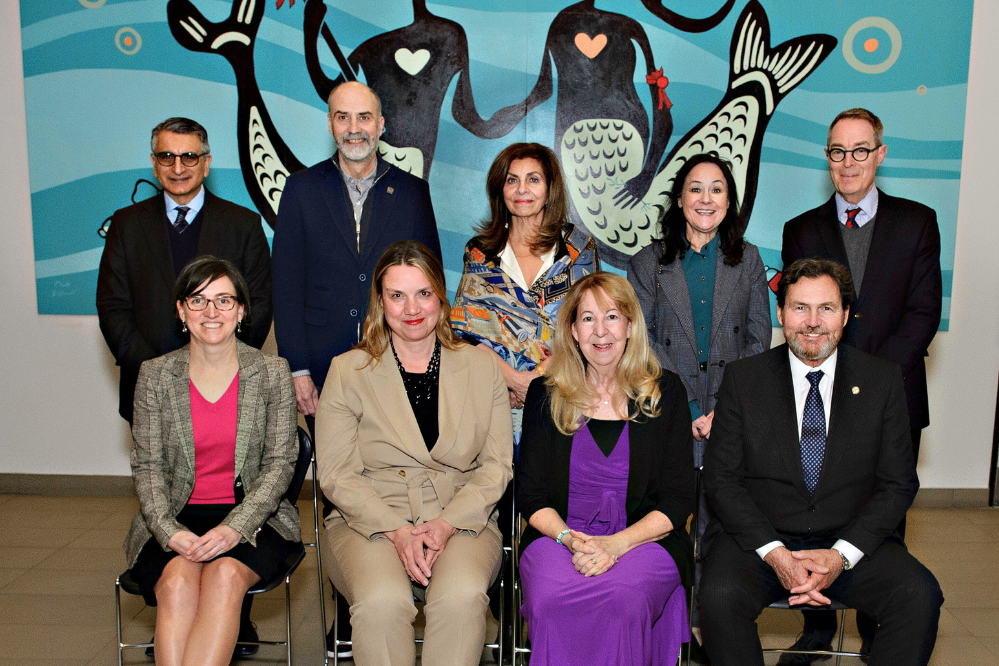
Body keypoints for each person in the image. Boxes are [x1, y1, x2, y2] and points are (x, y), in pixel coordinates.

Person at [698, 258, 943, 666]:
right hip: (761, 542)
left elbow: (898, 483)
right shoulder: (744, 379)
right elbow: (722, 481)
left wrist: (840, 555)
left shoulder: (882, 380)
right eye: (799, 308)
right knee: (718, 596)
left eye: (826, 308)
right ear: (780, 313)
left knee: (919, 595)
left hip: (848, 541)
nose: (813, 322)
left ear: (845, 315)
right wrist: (776, 554)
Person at [270, 80, 441, 657]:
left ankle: (389, 606)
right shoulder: (302, 189)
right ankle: (351, 615)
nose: (354, 127)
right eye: (342, 117)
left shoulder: (411, 192)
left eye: (364, 116)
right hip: (322, 369)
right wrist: (296, 368)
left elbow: (429, 278)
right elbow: (285, 284)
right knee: (343, 490)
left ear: (382, 123)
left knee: (388, 478)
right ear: (329, 123)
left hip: (398, 367)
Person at [97, 117, 272, 655]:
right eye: (167, 157)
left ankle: (226, 622)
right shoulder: (128, 225)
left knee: (232, 484)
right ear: (154, 162)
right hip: (157, 396)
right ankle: (189, 619)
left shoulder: (241, 224)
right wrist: (166, 377)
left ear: (207, 160)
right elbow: (113, 310)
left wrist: (219, 365)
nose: (178, 167)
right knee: (170, 490)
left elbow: (260, 303)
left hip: (232, 386)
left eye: (189, 156)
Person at [781, 108, 942, 661]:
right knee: (814, 511)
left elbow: (922, 315)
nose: (847, 163)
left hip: (894, 398)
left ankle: (882, 630)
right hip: (814, 399)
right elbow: (805, 322)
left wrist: (866, 385)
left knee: (883, 518)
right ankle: (816, 627)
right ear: (826, 158)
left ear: (880, 153)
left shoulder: (918, 221)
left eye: (859, 150)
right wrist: (831, 381)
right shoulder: (801, 229)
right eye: (836, 151)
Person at [315, 240, 512, 666]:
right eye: (397, 295)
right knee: (382, 602)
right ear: (380, 302)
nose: (411, 308)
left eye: (423, 293)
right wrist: (397, 530)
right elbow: (336, 475)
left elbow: (496, 467)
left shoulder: (482, 368)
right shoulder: (347, 371)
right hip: (368, 518)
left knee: (460, 597)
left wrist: (445, 524)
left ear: (441, 297)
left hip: (461, 517)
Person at [123, 256, 301, 666]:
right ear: (181, 310)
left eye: (224, 300)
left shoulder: (272, 373)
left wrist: (234, 529)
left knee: (224, 577)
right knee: (177, 582)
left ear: (241, 311)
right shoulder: (154, 375)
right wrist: (170, 532)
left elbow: (279, 466)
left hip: (256, 517)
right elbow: (147, 467)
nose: (211, 312)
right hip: (174, 517)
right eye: (198, 300)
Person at [628, 152, 770, 662]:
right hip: (668, 411)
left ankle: (710, 621)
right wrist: (688, 406)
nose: (705, 199)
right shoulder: (649, 262)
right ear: (680, 198)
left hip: (731, 413)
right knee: (666, 518)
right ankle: (668, 621)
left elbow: (758, 340)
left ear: (729, 201)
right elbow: (641, 342)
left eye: (716, 189)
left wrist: (723, 409)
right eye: (695, 188)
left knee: (719, 522)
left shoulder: (748, 259)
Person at [516, 272, 694, 666]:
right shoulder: (544, 396)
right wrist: (570, 539)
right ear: (573, 331)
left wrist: (617, 545)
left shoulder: (667, 393)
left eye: (612, 316)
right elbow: (530, 495)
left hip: (645, 541)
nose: (601, 331)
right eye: (587, 318)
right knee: (550, 599)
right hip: (560, 540)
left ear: (630, 326)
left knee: (623, 600)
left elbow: (680, 498)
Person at [451, 142, 598, 454]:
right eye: (511, 179)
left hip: (561, 396)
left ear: (550, 188)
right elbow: (463, 334)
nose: (522, 189)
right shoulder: (480, 253)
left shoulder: (579, 250)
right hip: (490, 395)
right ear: (500, 189)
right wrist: (512, 380)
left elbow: (590, 327)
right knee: (494, 492)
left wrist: (535, 381)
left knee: (551, 494)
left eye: (533, 179)